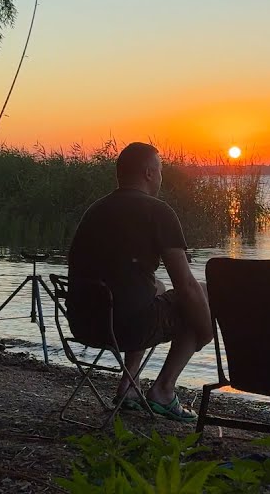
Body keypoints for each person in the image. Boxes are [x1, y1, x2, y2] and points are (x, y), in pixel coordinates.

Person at [67, 142, 212, 421]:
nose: (161, 176)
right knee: (205, 294)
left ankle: (128, 388)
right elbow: (187, 286)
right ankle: (164, 390)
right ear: (148, 173)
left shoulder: (95, 210)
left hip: (84, 324)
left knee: (155, 287)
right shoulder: (158, 211)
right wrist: (205, 330)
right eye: (160, 170)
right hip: (126, 328)